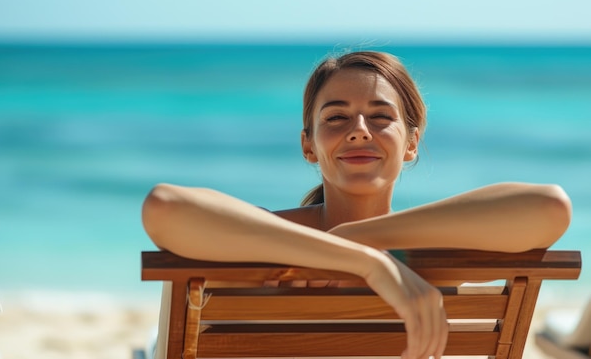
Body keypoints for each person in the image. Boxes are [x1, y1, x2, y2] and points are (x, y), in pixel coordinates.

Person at [141, 50, 571, 359]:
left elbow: (550, 206)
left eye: (380, 116)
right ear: (309, 145)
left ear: (412, 143)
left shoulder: (259, 243)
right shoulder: (432, 258)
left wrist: (354, 240)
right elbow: (164, 206)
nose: (360, 130)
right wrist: (370, 263)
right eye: (336, 117)